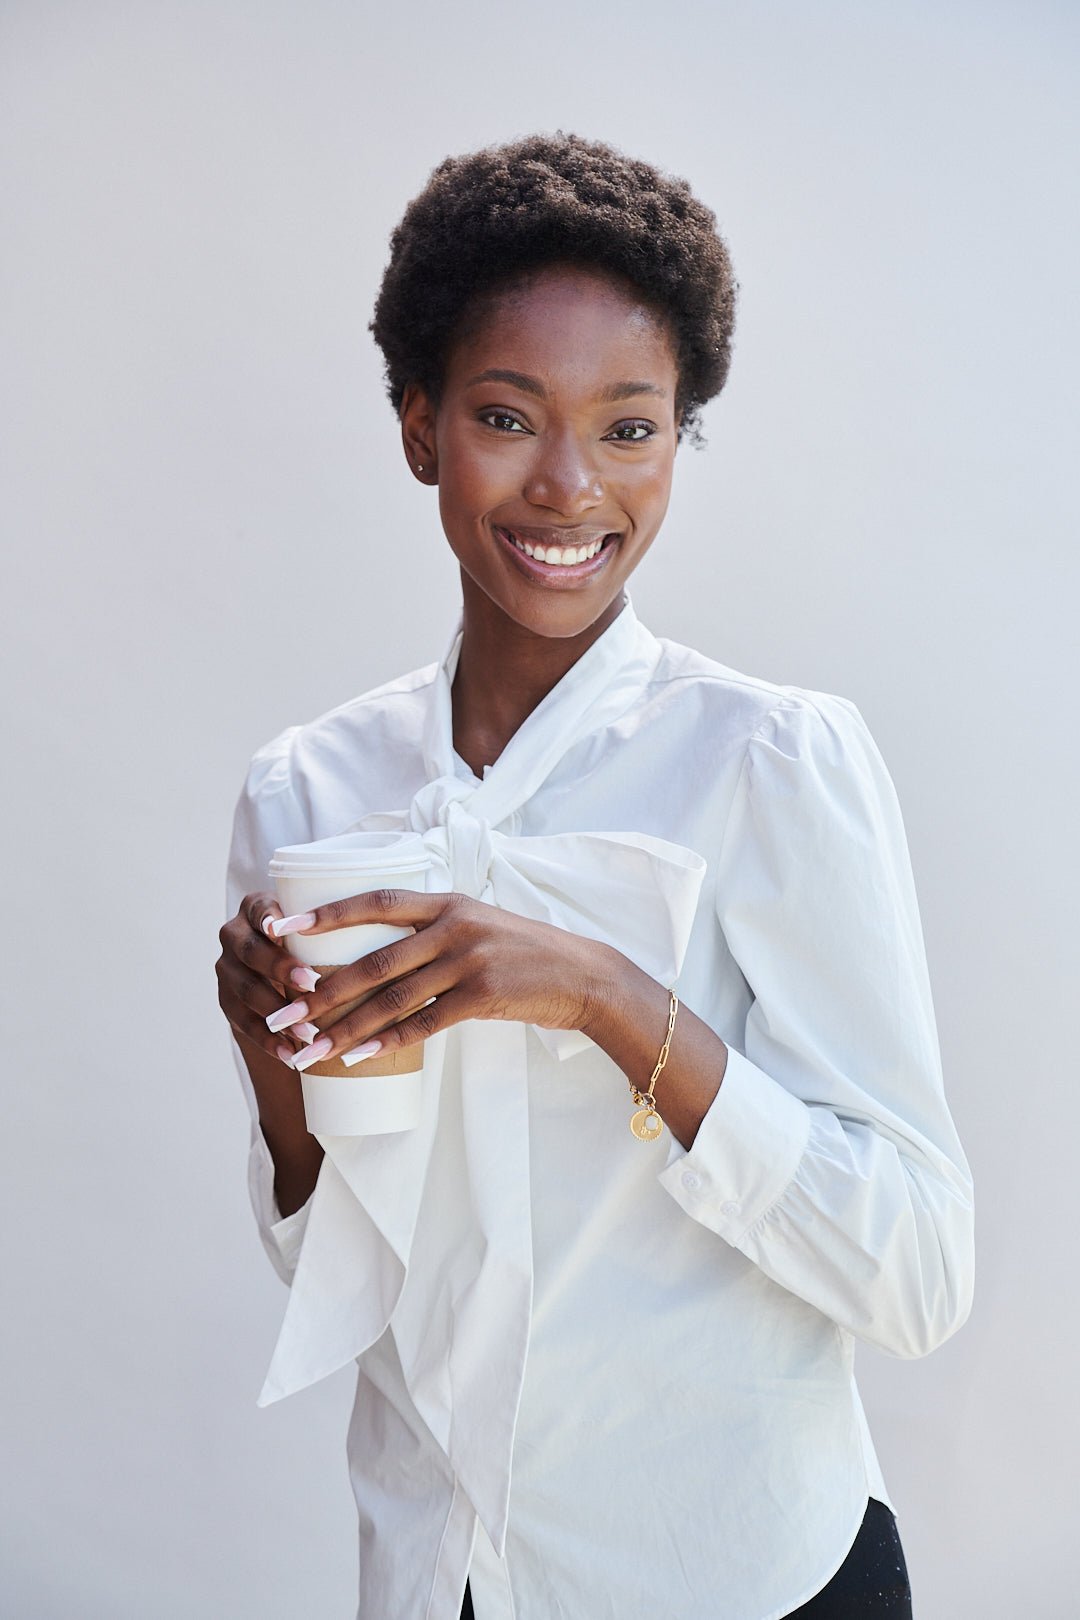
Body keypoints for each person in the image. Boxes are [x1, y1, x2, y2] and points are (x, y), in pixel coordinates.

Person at [216, 132, 974, 1620]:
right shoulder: (308, 791)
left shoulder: (772, 763)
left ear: (679, 440)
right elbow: (343, 1256)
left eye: (630, 429)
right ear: (420, 424)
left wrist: (609, 997)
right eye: (508, 416)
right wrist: (274, 1073)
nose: (569, 487)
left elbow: (919, 1272)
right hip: (444, 1576)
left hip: (746, 1574)